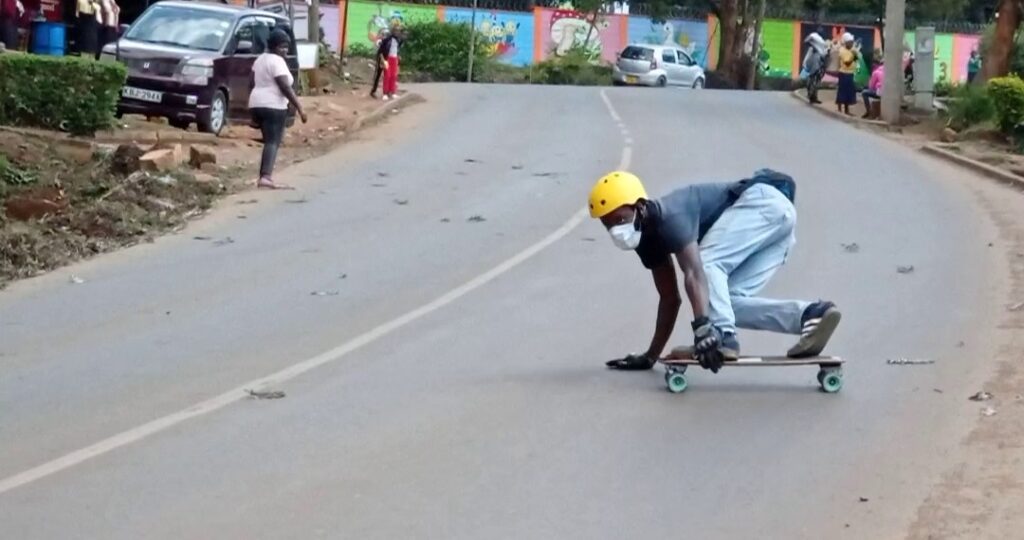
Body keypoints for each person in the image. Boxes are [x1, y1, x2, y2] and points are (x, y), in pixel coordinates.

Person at [589, 169, 842, 372]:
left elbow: (695, 273)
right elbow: (669, 299)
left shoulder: (671, 216)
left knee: (707, 262)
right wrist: (650, 357)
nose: (615, 229)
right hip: (776, 226)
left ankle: (723, 336)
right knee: (723, 303)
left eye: (619, 219)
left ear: (640, 207)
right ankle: (810, 315)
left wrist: (704, 330)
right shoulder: (645, 240)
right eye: (607, 224)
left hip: (764, 205)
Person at [248, 29, 307, 190]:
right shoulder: (277, 62)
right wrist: (299, 107)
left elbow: (251, 83)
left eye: (287, 47)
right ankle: (265, 177)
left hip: (257, 103)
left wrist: (253, 107)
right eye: (282, 47)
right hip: (273, 105)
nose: (285, 50)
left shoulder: (260, 60)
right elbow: (284, 87)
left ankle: (264, 175)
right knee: (273, 141)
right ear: (274, 46)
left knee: (270, 140)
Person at [835, 33, 858, 115]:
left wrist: (855, 54)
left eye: (852, 42)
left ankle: (847, 110)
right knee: (842, 91)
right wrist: (853, 55)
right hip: (844, 73)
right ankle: (839, 109)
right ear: (846, 42)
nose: (852, 43)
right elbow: (847, 63)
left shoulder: (851, 50)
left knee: (848, 92)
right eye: (850, 42)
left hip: (850, 73)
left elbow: (856, 59)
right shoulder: (842, 50)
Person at [802, 32, 828, 105]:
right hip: (815, 61)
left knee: (817, 80)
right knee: (813, 78)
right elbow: (806, 41)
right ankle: (811, 96)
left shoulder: (821, 42)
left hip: (820, 60)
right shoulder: (814, 38)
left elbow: (824, 52)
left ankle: (814, 97)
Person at [381, 24, 402, 101]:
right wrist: (383, 60)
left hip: (394, 59)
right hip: (387, 59)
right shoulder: (387, 39)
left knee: (394, 75)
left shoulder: (399, 40)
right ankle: (385, 93)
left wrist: (398, 57)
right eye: (396, 30)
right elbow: (381, 50)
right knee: (387, 75)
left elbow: (397, 49)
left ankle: (392, 92)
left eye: (399, 30)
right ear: (392, 31)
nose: (397, 32)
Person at [369, 29, 391, 99]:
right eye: (384, 35)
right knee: (378, 74)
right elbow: (380, 52)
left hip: (386, 58)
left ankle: (387, 91)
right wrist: (383, 61)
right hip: (381, 58)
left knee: (387, 75)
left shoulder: (388, 41)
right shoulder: (382, 42)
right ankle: (373, 91)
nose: (385, 36)